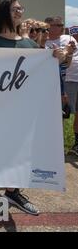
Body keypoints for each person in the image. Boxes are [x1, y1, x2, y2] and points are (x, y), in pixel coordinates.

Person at [0, 0, 65, 215]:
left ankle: (12, 192)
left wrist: (56, 57)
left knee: (18, 153)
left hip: (22, 113)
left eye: (20, 9)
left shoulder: (29, 44)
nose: (19, 12)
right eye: (14, 9)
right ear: (1, 13)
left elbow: (42, 73)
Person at [44, 16, 78, 156]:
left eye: (62, 24)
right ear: (48, 26)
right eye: (57, 25)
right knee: (61, 114)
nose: (61, 27)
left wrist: (71, 49)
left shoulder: (69, 38)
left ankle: (76, 143)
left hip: (76, 79)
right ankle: (57, 146)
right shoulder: (44, 41)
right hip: (64, 81)